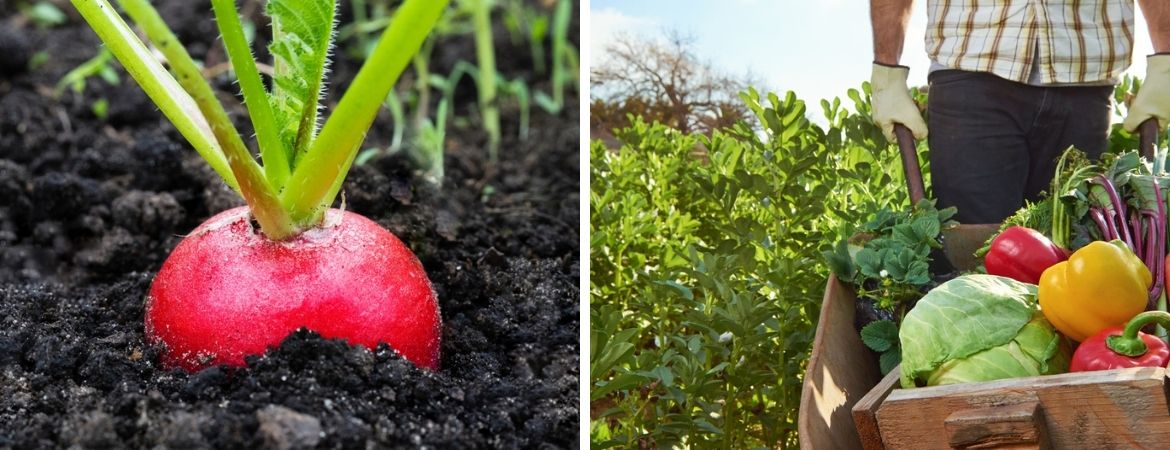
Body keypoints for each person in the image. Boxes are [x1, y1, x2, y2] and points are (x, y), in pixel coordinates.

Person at [869, 0, 1170, 223]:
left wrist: (1165, 60)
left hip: (1084, 74)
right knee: (974, 259)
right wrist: (887, 69)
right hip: (971, 70)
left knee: (1074, 247)